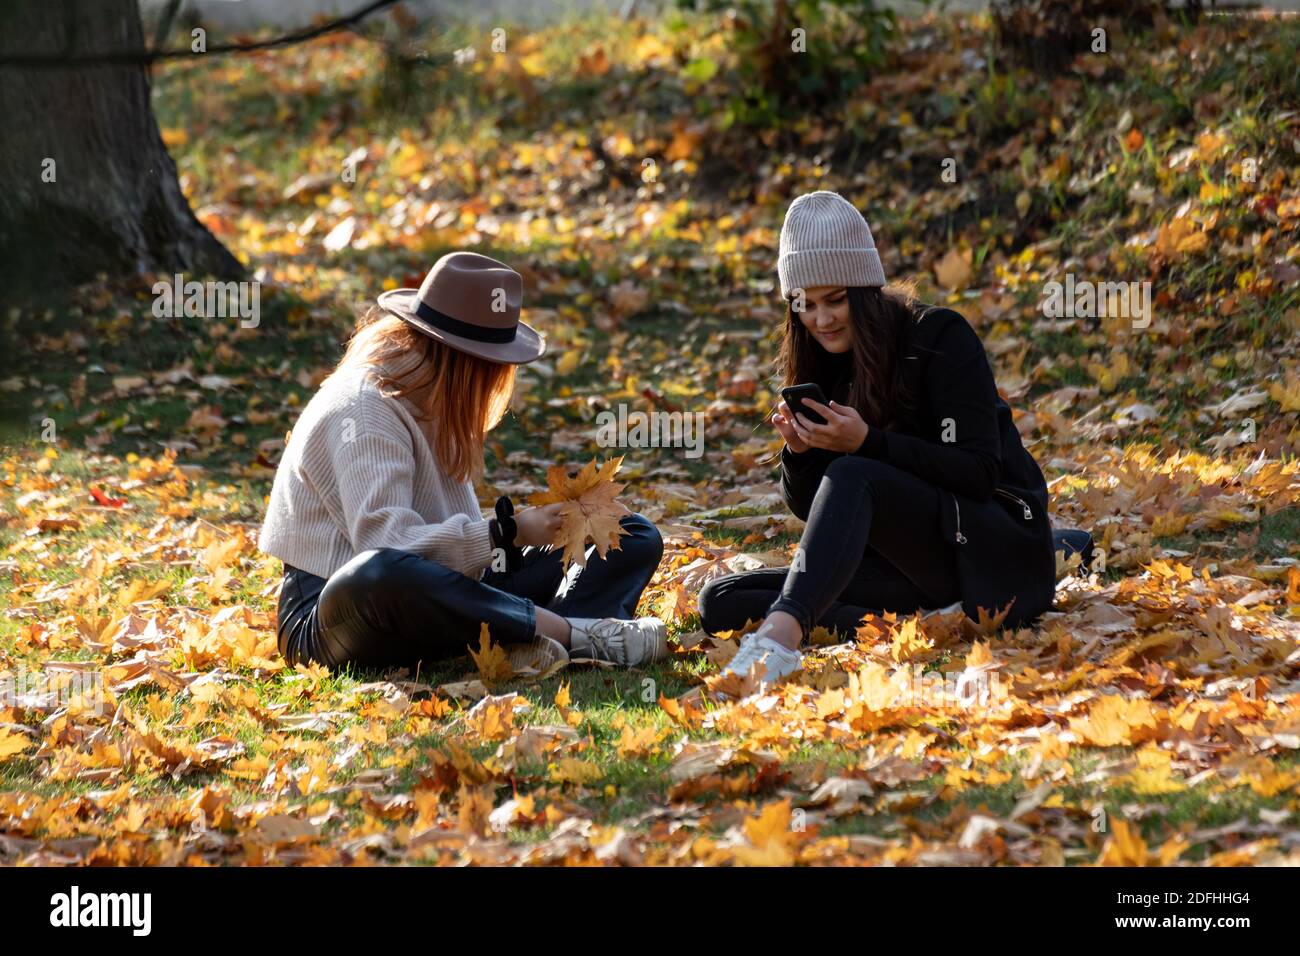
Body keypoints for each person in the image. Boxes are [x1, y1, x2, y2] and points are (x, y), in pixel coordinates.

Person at [698, 191, 1056, 687]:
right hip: (906, 566)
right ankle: (927, 616)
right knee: (721, 602)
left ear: (864, 289)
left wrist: (868, 443)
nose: (821, 320)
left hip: (986, 547)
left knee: (852, 474)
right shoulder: (827, 360)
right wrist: (800, 454)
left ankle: (780, 641)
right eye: (806, 305)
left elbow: (978, 472)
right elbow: (818, 510)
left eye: (835, 300)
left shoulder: (940, 336)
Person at [258, 251, 668, 674]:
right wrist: (504, 531)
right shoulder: (363, 409)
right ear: (466, 362)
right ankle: (571, 633)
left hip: (447, 591)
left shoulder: (431, 396)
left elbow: (452, 559)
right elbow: (389, 547)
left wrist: (543, 531)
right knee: (380, 571)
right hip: (339, 616)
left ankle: (548, 640)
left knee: (631, 534)